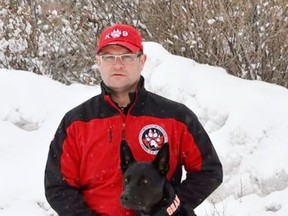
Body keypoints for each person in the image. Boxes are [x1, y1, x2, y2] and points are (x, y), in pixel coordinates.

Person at [44, 24, 223, 216]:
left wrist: (169, 207)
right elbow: (58, 187)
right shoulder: (76, 123)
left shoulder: (175, 117)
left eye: (127, 56)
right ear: (98, 61)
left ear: (142, 60)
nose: (117, 64)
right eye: (109, 57)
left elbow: (209, 171)